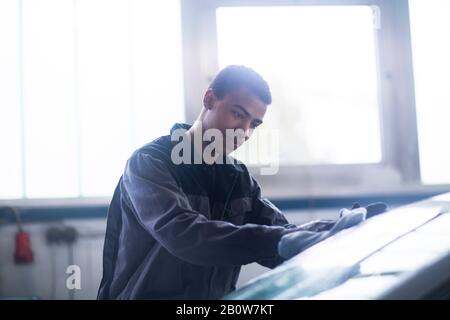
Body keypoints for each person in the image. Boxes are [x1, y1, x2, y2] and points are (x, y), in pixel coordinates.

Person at [97, 65, 364, 300]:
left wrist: (331, 232)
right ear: (209, 98)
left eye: (254, 124)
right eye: (238, 114)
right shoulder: (148, 163)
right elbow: (185, 234)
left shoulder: (237, 178)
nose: (244, 132)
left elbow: (279, 235)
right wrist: (280, 240)